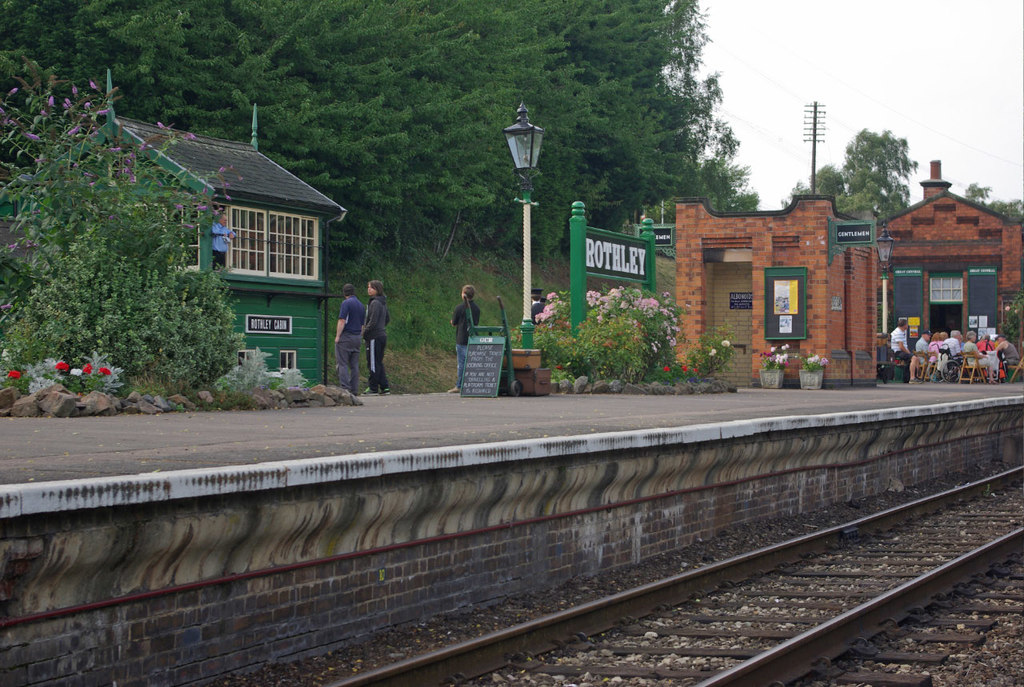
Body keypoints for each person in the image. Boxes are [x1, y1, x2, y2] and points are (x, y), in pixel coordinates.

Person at [334, 283, 365, 395]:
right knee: (354, 365)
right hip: (357, 337)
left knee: (342, 363)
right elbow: (362, 325)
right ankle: (354, 389)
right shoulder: (361, 305)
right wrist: (360, 337)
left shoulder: (346, 303)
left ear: (344, 293)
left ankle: (345, 388)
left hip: (346, 336)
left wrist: (338, 336)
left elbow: (342, 320)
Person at [449, 285, 481, 393]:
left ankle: (459, 385)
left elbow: (454, 322)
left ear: (463, 295)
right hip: (473, 339)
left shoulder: (459, 308)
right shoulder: (477, 308)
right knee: (472, 363)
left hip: (462, 338)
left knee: (462, 364)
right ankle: (472, 384)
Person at [362, 280, 390, 395]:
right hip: (382, 335)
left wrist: (364, 332)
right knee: (378, 361)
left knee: (372, 362)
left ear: (377, 289)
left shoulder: (375, 303)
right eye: (368, 287)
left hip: (374, 336)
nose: (369, 289)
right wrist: (381, 326)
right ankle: (384, 386)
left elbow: (372, 321)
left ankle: (373, 387)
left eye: (371, 288)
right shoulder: (383, 303)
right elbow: (387, 319)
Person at [890, 318, 912, 382]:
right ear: (905, 325)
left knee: (913, 358)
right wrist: (909, 353)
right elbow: (901, 347)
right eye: (907, 324)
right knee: (914, 358)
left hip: (900, 351)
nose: (908, 325)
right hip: (898, 352)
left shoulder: (901, 332)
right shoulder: (898, 332)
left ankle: (908, 378)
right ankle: (912, 377)